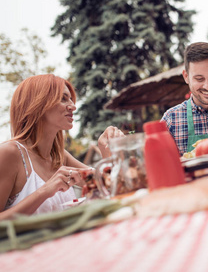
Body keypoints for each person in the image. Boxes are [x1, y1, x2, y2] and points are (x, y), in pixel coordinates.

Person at [0, 74, 125, 220]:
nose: (73, 106)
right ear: (38, 104)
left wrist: (108, 151)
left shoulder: (59, 156)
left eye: (71, 99)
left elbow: (109, 186)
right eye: (63, 99)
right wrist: (45, 191)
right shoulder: (9, 153)